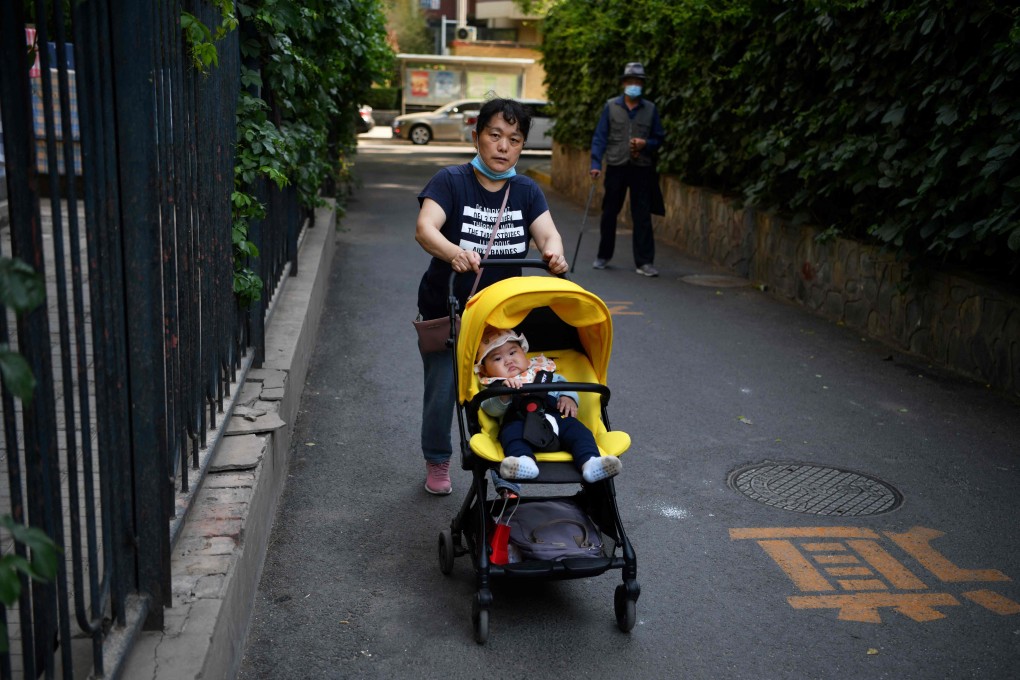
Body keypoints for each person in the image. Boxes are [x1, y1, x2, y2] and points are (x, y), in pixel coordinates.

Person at [415, 98, 570, 495]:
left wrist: (554, 252)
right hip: (449, 307)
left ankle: (506, 462)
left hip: (500, 317)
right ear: (477, 137)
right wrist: (454, 252)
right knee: (444, 387)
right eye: (495, 135)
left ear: (521, 146)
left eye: (514, 139)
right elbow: (425, 228)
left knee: (506, 390)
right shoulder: (450, 181)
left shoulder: (526, 191)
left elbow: (548, 233)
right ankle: (437, 459)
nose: (503, 146)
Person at [475, 327, 622, 483]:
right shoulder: (494, 386)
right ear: (485, 369)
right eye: (497, 359)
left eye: (512, 353)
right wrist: (504, 393)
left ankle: (590, 463)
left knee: (579, 431)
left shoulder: (543, 373)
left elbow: (564, 386)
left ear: (524, 353)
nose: (508, 361)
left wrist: (567, 397)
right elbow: (490, 409)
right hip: (520, 425)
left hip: (557, 421)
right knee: (510, 434)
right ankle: (524, 462)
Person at [589, 62, 667, 277]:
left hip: (641, 168)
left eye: (638, 82)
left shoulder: (650, 109)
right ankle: (603, 255)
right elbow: (599, 137)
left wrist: (646, 144)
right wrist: (596, 164)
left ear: (642, 85)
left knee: (642, 215)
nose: (634, 85)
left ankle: (645, 262)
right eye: (630, 81)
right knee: (609, 212)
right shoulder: (611, 106)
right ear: (624, 83)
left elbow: (659, 138)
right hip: (616, 165)